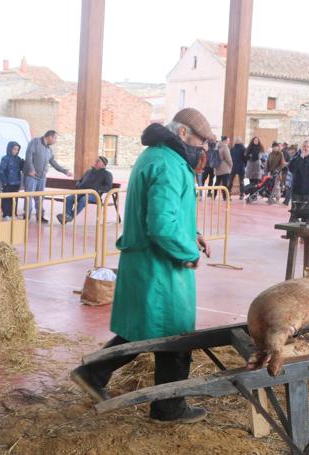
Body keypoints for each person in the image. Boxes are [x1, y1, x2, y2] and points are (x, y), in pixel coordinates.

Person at [70, 108, 213, 424]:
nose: (203, 149)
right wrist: (187, 252)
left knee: (142, 331)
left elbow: (169, 213)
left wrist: (194, 233)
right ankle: (168, 409)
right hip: (162, 266)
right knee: (175, 338)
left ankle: (92, 374)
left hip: (147, 263)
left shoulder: (156, 157)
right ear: (183, 133)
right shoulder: (169, 164)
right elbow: (162, 225)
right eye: (201, 141)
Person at [23, 130, 72, 223]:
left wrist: (65, 171)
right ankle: (26, 217)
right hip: (31, 176)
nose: (55, 141)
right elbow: (28, 156)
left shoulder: (49, 149)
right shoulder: (35, 142)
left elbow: (53, 162)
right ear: (50, 137)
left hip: (42, 177)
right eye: (55, 138)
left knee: (40, 197)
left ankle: (40, 216)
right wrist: (31, 169)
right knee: (28, 196)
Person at [56, 156, 113, 224]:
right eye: (96, 161)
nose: (95, 162)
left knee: (84, 199)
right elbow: (80, 181)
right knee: (69, 198)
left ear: (103, 164)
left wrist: (97, 190)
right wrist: (78, 185)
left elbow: (108, 187)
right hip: (81, 192)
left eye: (98, 161)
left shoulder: (107, 174)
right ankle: (67, 216)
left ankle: (70, 216)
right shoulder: (89, 171)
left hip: (94, 195)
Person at [285, 140, 309, 227]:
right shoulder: (295, 159)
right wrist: (301, 158)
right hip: (297, 191)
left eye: (308, 147)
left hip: (308, 193)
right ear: (301, 148)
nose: (306, 148)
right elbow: (292, 169)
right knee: (294, 214)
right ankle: (291, 234)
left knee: (306, 215)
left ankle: (303, 238)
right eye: (304, 146)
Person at [0, 141, 24, 220]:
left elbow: (22, 168)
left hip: (16, 183)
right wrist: (5, 182)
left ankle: (13, 213)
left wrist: (24, 163)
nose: (15, 151)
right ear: (10, 149)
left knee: (14, 199)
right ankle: (6, 214)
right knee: (6, 199)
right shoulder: (5, 159)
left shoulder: (18, 159)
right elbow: (1, 171)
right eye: (14, 149)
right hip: (8, 183)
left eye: (17, 149)